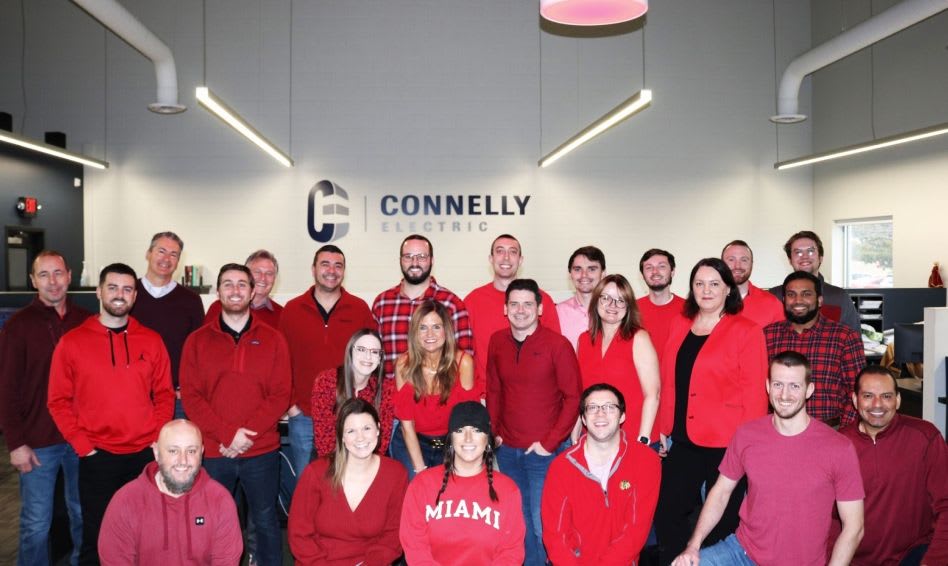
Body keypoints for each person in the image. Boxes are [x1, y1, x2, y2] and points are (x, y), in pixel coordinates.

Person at [670, 351, 865, 566]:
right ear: (767, 386)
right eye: (778, 384)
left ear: (809, 390)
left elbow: (854, 527)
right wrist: (693, 546)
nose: (784, 395)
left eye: (795, 386)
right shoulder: (747, 434)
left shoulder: (838, 447)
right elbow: (721, 492)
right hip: (742, 553)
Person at [48, 262, 175, 565]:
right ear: (99, 291)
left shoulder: (152, 340)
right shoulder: (73, 342)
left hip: (144, 455)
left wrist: (156, 440)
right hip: (97, 457)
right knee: (98, 535)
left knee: (147, 533)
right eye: (113, 287)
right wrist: (84, 447)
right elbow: (58, 400)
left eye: (127, 289)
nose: (120, 295)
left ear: (134, 297)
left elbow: (165, 395)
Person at [654, 258, 768, 564]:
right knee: (667, 513)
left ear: (728, 289)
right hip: (683, 439)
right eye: (699, 284)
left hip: (727, 442)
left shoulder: (746, 330)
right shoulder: (680, 323)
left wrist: (747, 445)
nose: (706, 290)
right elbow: (671, 379)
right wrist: (664, 427)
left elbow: (755, 392)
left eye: (714, 283)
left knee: (722, 522)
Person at [179, 264, 292, 566]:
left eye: (242, 284)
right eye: (227, 284)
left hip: (262, 451)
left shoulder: (273, 339)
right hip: (215, 451)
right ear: (217, 292)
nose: (235, 290)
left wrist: (245, 435)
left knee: (266, 522)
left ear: (253, 291)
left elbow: (280, 394)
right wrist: (228, 435)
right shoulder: (197, 341)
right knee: (211, 522)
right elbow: (191, 396)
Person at [0, 251, 90, 566]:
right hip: (38, 441)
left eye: (58, 273)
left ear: (69, 276)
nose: (52, 282)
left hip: (81, 439)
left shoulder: (85, 322)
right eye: (44, 275)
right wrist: (16, 443)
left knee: (82, 513)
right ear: (33, 281)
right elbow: (6, 388)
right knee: (36, 523)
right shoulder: (19, 326)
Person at [487, 278, 582, 565]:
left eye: (528, 304)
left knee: (546, 526)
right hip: (508, 450)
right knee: (521, 526)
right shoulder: (497, 341)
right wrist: (494, 433)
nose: (520, 310)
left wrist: (550, 443)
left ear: (540, 308)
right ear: (505, 309)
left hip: (545, 454)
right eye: (514, 304)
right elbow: (494, 390)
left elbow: (573, 398)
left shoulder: (558, 345)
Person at [279, 245, 375, 481]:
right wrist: (292, 405)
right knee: (307, 483)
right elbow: (280, 362)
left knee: (349, 481)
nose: (331, 270)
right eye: (325, 264)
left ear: (344, 271)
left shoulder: (360, 308)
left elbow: (372, 359)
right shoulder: (292, 310)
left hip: (348, 415)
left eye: (338, 265)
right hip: (304, 417)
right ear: (313, 269)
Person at [837, 366, 948, 566]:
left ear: (898, 400)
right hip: (852, 558)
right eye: (868, 396)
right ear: (855, 400)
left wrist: (934, 561)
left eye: (886, 396)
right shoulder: (838, 445)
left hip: (913, 555)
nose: (877, 404)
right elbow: (828, 518)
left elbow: (946, 504)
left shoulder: (925, 437)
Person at [542, 383, 661, 566]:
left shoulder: (646, 461)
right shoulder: (561, 467)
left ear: (622, 416)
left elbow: (635, 532)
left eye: (609, 407)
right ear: (583, 418)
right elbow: (555, 535)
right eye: (592, 408)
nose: (600, 414)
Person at [98, 420, 243, 565]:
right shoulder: (126, 501)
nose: (183, 460)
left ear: (202, 453)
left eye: (191, 451)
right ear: (156, 453)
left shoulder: (220, 501)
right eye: (173, 451)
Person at [400, 401, 525, 565]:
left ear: (488, 438)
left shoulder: (508, 490)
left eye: (476, 430)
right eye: (460, 430)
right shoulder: (422, 485)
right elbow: (415, 547)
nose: (468, 438)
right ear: (451, 438)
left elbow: (511, 552)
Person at [289, 398, 408, 565]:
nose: (360, 438)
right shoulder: (316, 473)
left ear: (378, 430)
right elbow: (299, 534)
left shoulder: (395, 474)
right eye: (351, 431)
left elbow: (393, 534)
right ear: (342, 437)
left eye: (367, 428)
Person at [764, 271, 864, 427]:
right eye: (791, 294)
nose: (798, 300)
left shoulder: (845, 337)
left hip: (830, 430)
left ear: (819, 300)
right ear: (784, 300)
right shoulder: (767, 336)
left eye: (806, 294)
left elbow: (858, 390)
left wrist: (844, 432)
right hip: (777, 430)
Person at [392, 300, 477, 478]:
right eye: (423, 327)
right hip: (412, 441)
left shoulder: (463, 363)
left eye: (436, 327)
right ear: (415, 333)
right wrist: (420, 470)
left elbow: (467, 418)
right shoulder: (403, 365)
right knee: (416, 490)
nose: (429, 334)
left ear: (446, 330)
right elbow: (407, 426)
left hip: (448, 443)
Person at [372, 234, 473, 380]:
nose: (414, 262)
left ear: (432, 260)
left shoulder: (452, 304)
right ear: (400, 260)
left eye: (421, 256)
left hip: (440, 398)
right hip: (391, 399)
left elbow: (464, 359)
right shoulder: (381, 304)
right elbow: (373, 359)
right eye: (408, 256)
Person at [575, 274, 661, 447]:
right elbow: (581, 394)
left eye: (620, 300)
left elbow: (653, 394)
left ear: (628, 306)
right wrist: (576, 432)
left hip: (634, 436)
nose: (612, 305)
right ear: (596, 301)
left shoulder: (638, 338)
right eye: (605, 298)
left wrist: (643, 440)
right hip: (594, 436)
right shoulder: (584, 340)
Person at [464, 234, 560, 385]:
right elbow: (464, 354)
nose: (506, 258)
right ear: (491, 259)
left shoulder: (542, 299)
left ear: (521, 260)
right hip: (485, 395)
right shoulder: (472, 301)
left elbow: (556, 353)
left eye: (513, 252)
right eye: (500, 251)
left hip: (532, 393)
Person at [130, 231, 205, 418]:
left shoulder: (191, 300)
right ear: (148, 253)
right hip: (133, 397)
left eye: (174, 254)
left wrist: (187, 388)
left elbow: (198, 352)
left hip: (176, 400)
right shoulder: (128, 294)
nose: (166, 259)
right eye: (161, 251)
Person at [310, 329, 395, 457]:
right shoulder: (326, 382)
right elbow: (324, 441)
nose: (368, 356)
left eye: (375, 352)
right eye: (361, 349)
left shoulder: (386, 388)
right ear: (350, 352)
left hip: (369, 460)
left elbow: (381, 441)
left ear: (380, 359)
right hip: (332, 459)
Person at [770, 230, 860, 331]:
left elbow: (854, 340)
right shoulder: (773, 296)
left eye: (810, 251)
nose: (804, 256)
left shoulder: (839, 297)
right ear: (790, 260)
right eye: (798, 252)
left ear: (820, 258)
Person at [204, 249, 283, 328]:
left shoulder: (282, 314)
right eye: (257, 272)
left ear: (275, 278)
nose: (263, 278)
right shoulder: (217, 308)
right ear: (246, 275)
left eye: (269, 273)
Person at [636, 248, 685, 363]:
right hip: (641, 380)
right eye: (648, 268)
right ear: (642, 275)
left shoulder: (690, 309)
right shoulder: (631, 309)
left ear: (672, 272)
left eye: (661, 266)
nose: (655, 272)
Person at [720, 240, 783, 327]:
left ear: (752, 264)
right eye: (731, 260)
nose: (737, 266)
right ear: (722, 264)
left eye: (744, 260)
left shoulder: (773, 304)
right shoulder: (708, 301)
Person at [556, 245, 606, 351]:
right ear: (570, 275)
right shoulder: (557, 312)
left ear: (603, 274)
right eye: (578, 269)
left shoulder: (614, 311)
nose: (584, 275)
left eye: (592, 269)